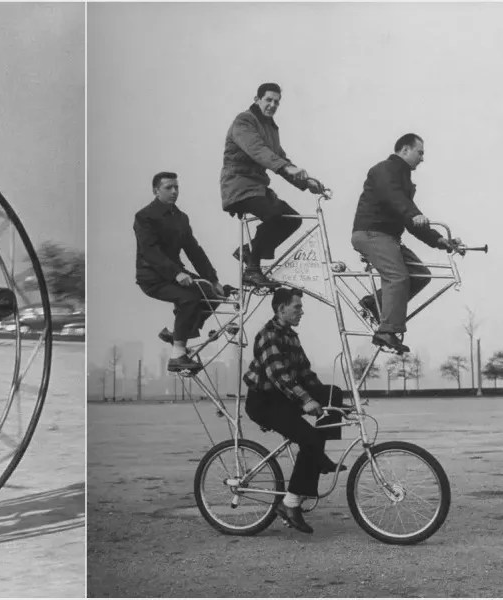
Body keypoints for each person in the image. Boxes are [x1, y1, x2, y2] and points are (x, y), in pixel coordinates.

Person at [243, 287, 345, 534]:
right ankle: (289, 505)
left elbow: (305, 373)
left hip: (284, 397)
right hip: (264, 402)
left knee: (334, 392)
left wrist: (326, 402)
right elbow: (279, 376)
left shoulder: (291, 336)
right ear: (281, 309)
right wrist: (307, 401)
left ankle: (318, 454)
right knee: (309, 439)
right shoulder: (268, 335)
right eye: (297, 307)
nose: (302, 311)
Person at [351, 133, 458, 353]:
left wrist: (440, 240)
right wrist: (413, 213)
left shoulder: (404, 180)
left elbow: (409, 220)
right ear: (405, 150)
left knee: (420, 275)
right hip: (372, 233)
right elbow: (395, 199)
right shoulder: (384, 170)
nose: (422, 158)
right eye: (420, 153)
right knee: (397, 277)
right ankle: (386, 331)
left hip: (389, 237)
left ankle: (374, 303)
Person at [221, 82, 324, 288]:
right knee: (274, 216)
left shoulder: (270, 128)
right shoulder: (244, 121)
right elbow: (257, 150)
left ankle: (250, 251)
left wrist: (307, 182)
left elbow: (279, 156)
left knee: (292, 220)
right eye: (268, 100)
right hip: (239, 186)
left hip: (258, 188)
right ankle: (252, 269)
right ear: (257, 99)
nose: (272, 105)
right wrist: (285, 167)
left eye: (277, 102)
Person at [135, 172, 226, 372]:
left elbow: (194, 250)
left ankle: (177, 334)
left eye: (176, 187)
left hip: (176, 273)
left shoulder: (181, 218)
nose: (174, 191)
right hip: (152, 277)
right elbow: (151, 252)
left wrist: (213, 279)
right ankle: (177, 356)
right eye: (168, 187)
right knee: (189, 298)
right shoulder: (144, 217)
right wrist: (176, 274)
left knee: (214, 294)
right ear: (156, 190)